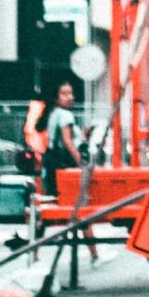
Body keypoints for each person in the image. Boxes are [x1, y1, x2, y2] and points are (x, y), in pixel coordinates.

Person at [41, 81, 99, 262]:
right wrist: (81, 163)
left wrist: (84, 137)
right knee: (80, 209)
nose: (70, 97)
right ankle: (94, 254)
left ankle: (33, 255)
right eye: (65, 94)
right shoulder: (65, 115)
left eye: (71, 93)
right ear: (56, 97)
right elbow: (67, 142)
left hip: (52, 167)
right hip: (65, 169)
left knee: (49, 210)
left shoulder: (53, 114)